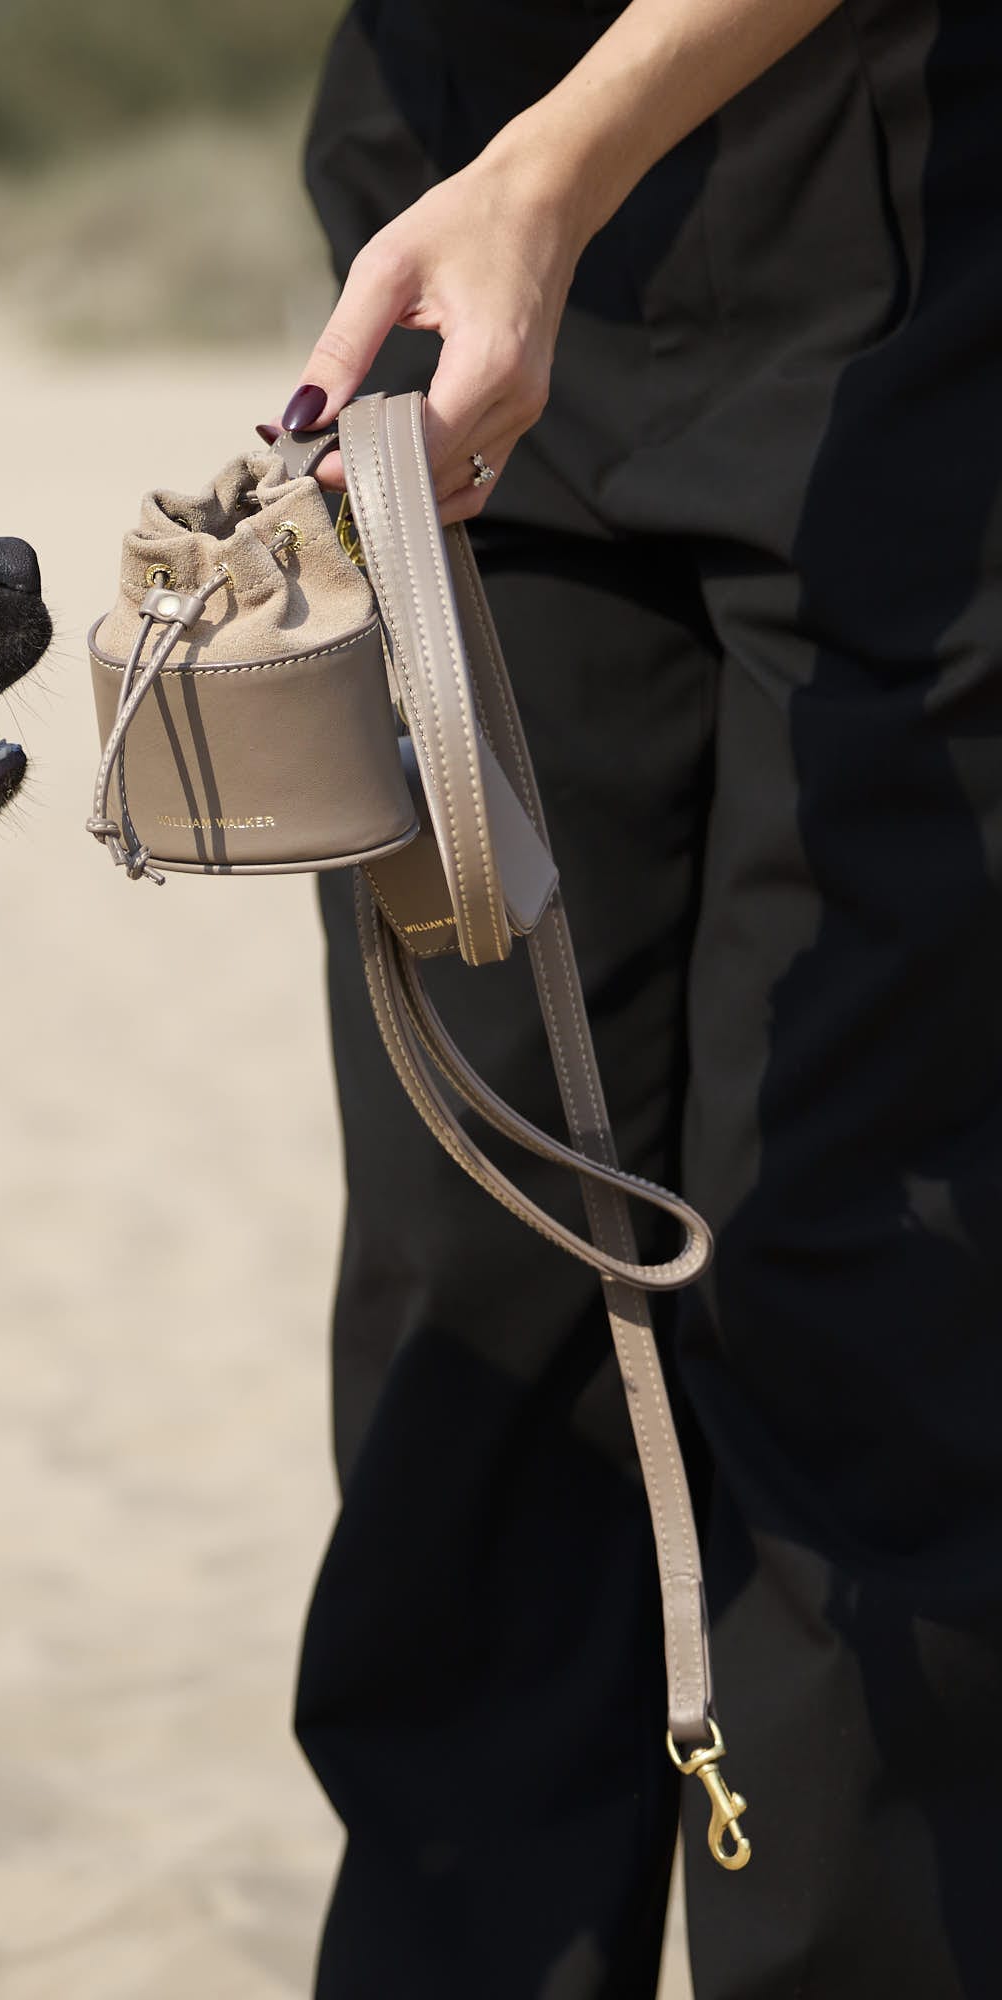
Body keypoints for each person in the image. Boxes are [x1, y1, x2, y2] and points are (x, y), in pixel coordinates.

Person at [276, 2, 1002, 1995]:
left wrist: (561, 162)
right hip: (451, 213)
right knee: (475, 1267)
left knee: (849, 1265)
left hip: (907, 202)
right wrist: (507, 177)